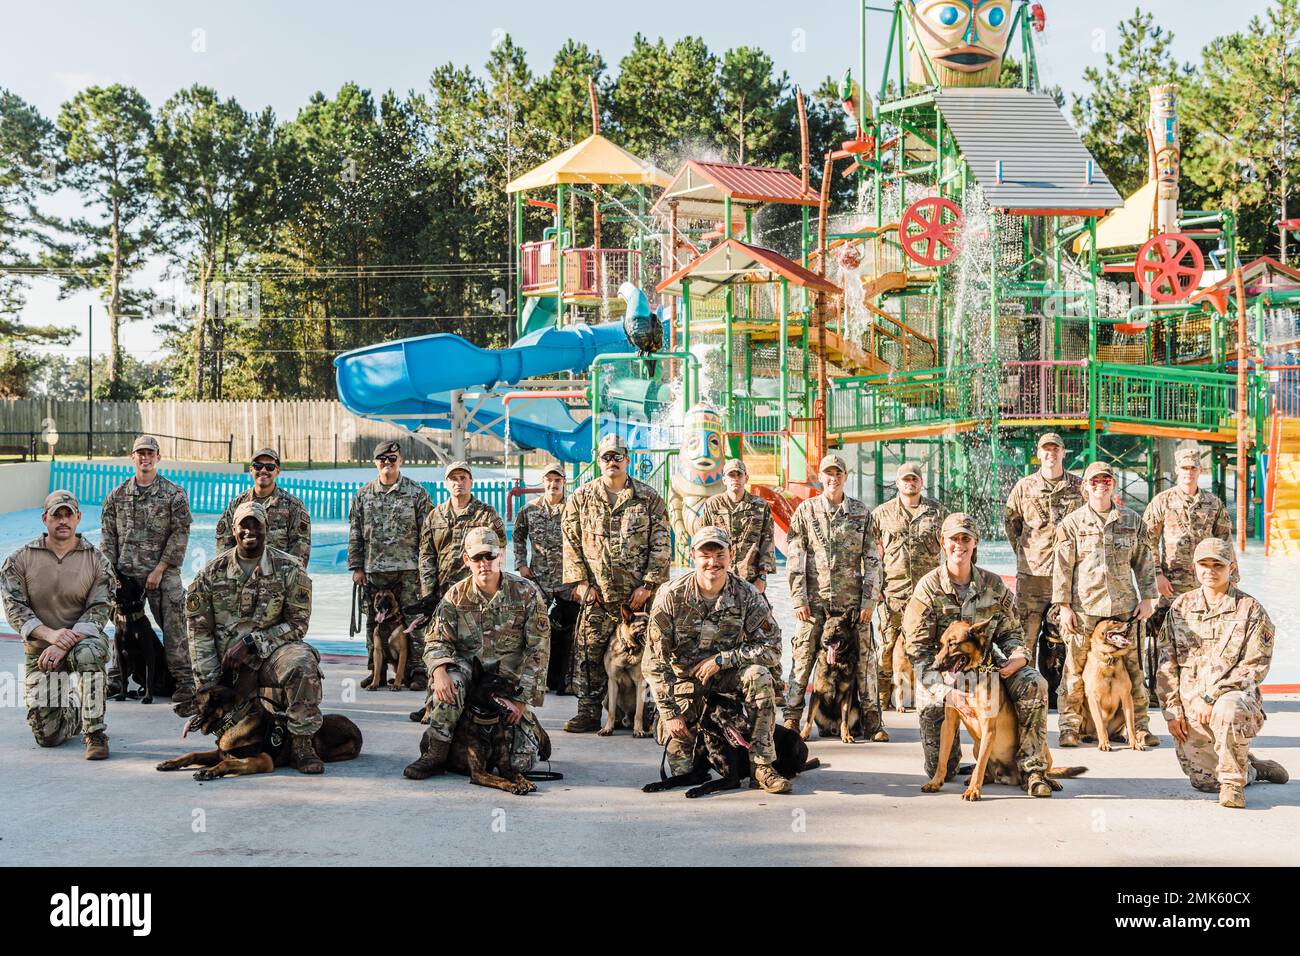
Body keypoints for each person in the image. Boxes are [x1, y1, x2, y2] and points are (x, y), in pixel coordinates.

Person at [902, 513, 1055, 796]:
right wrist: (943, 691)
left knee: (1034, 683)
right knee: (940, 767)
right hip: (942, 671)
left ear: (975, 544)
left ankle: (1033, 769)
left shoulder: (993, 585)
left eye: (966, 539)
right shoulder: (927, 588)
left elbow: (1011, 633)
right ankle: (963, 760)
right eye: (953, 539)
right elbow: (917, 649)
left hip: (987, 668)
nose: (959, 545)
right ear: (942, 543)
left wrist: (1018, 656)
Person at [644, 526, 790, 793]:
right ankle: (688, 736)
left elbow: (772, 649)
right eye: (705, 554)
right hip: (685, 687)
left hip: (726, 683)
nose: (713, 562)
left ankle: (762, 766)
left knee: (759, 675)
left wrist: (723, 660)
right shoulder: (671, 595)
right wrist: (669, 714)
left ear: (731, 555)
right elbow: (654, 662)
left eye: (719, 554)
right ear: (692, 557)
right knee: (684, 771)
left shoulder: (747, 595)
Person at [186, 501, 322, 773]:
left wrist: (254, 643)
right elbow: (199, 632)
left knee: (303, 662)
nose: (250, 531)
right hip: (229, 665)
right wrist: (210, 686)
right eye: (243, 526)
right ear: (233, 531)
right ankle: (233, 742)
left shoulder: (289, 568)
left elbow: (297, 624)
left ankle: (302, 743)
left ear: (266, 528)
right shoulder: (211, 573)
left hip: (272, 655)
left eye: (256, 525)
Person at [403, 527, 550, 780]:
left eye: (490, 556)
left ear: (501, 556)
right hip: (469, 676)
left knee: (520, 763)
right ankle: (435, 753)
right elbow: (436, 640)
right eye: (477, 558)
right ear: (466, 561)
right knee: (451, 683)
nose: (484, 564)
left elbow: (538, 651)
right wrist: (439, 671)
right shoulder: (456, 596)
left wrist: (521, 700)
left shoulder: (526, 593)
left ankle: (529, 724)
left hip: (506, 683)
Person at [1156, 539, 1289, 808]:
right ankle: (1252, 769)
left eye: (1218, 565)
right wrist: (1172, 711)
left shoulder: (1250, 610)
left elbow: (1255, 665)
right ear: (1194, 568)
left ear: (1232, 568)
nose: (1210, 570)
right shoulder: (1181, 607)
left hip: (1233, 701)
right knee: (1204, 782)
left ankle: (1233, 786)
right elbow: (1165, 664)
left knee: (1227, 708)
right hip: (1191, 707)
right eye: (1203, 564)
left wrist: (1211, 696)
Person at [560, 433, 671, 733]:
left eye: (617, 456)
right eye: (606, 456)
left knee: (650, 656)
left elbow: (661, 544)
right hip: (597, 595)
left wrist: (648, 585)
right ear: (599, 461)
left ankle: (648, 714)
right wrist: (581, 583)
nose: (612, 461)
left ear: (627, 459)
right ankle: (588, 712)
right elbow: (570, 543)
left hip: (638, 600)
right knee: (589, 653)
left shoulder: (649, 499)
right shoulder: (580, 498)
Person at [1051, 460, 1159, 748]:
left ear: (1114, 485)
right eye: (1095, 481)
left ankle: (1139, 727)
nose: (1101, 485)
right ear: (1085, 487)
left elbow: (1144, 562)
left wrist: (1148, 598)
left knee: (1135, 670)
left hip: (1124, 607)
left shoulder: (1132, 521)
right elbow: (1062, 567)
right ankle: (1070, 726)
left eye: (1106, 480)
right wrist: (1063, 606)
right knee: (1074, 670)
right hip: (1085, 608)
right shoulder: (1072, 524)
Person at [1, 491, 113, 759]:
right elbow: (14, 608)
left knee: (88, 653)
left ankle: (95, 733)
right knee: (48, 737)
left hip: (82, 641)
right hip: (41, 650)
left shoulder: (97, 561)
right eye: (56, 515)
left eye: (68, 515)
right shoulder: (20, 559)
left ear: (78, 518)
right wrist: (51, 636)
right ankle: (73, 708)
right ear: (44, 519)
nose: (63, 521)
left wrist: (65, 641)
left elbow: (100, 610)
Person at [782, 453, 885, 741]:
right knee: (802, 658)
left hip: (851, 605)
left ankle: (873, 723)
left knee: (865, 659)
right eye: (828, 473)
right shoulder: (806, 511)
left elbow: (872, 559)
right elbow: (795, 556)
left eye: (838, 473)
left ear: (845, 477)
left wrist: (869, 601)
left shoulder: (861, 513)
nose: (833, 478)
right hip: (814, 603)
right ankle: (791, 718)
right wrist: (798, 598)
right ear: (821, 476)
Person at [100, 435, 195, 716]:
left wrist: (160, 568)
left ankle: (185, 681)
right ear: (133, 458)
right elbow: (108, 538)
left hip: (161, 571)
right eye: (140, 453)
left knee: (175, 624)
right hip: (126, 574)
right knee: (119, 628)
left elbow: (180, 534)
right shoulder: (116, 496)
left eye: (150, 453)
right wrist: (113, 576)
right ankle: (118, 678)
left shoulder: (173, 494)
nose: (145, 458)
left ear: (158, 457)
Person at [348, 440, 433, 690]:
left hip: (409, 569)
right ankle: (377, 670)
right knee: (374, 621)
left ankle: (417, 671)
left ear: (401, 460)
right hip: (374, 569)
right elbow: (355, 532)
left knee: (414, 620)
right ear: (376, 462)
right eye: (383, 459)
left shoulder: (417, 493)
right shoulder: (363, 495)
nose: (388, 463)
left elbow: (428, 532)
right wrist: (357, 567)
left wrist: (425, 567)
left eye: (392, 458)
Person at [871, 462, 947, 712]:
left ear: (921, 482)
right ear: (897, 482)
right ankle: (881, 701)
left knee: (932, 648)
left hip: (927, 597)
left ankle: (934, 698)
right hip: (892, 595)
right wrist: (874, 587)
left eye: (914, 479)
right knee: (886, 650)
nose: (910, 483)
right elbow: (868, 552)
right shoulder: (881, 514)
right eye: (905, 479)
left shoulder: (937, 513)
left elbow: (955, 545)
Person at [1003, 432, 1083, 668]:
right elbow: (1011, 524)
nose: (1051, 454)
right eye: (1046, 450)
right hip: (1033, 578)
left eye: (1055, 449)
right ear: (1038, 454)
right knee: (1026, 637)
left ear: (1063, 453)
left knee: (1067, 637)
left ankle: (1063, 693)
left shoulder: (1078, 487)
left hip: (1068, 577)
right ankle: (1028, 690)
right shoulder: (1024, 487)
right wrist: (1027, 553)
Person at [1143, 446, 1233, 636]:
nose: (1189, 473)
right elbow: (1147, 541)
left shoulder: (1214, 503)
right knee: (1164, 639)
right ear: (1177, 469)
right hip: (1170, 585)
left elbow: (1225, 544)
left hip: (1206, 584)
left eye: (1193, 468)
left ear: (1200, 470)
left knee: (1205, 635)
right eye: (1185, 468)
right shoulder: (1162, 501)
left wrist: (1230, 581)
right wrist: (1156, 575)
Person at [513, 461, 579, 694]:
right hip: (538, 580)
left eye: (558, 481)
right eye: (549, 480)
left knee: (569, 634)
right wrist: (520, 564)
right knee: (537, 629)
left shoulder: (574, 507)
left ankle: (567, 680)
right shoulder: (529, 510)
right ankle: (538, 678)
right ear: (543, 482)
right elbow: (518, 536)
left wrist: (581, 579)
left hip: (567, 581)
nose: (553, 485)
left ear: (564, 482)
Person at [419, 460, 507, 606]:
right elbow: (426, 555)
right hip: (444, 591)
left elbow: (500, 550)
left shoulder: (486, 514)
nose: (458, 482)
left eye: (463, 478)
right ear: (446, 483)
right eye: (453, 478)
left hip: (477, 591)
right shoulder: (435, 516)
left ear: (471, 482)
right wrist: (428, 591)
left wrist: (492, 585)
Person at [691, 458, 777, 595]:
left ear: (746, 478)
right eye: (731, 475)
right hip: (719, 579)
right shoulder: (712, 505)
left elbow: (767, 542)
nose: (735, 478)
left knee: (760, 616)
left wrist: (762, 577)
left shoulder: (760, 506)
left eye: (739, 475)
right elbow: (701, 542)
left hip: (751, 580)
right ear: (724, 479)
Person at [215, 447, 311, 566]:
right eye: (258, 466)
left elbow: (301, 545)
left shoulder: (293, 506)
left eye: (270, 467)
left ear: (277, 471)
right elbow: (224, 541)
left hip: (277, 577)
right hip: (242, 575)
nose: (263, 470)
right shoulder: (237, 504)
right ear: (251, 469)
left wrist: (290, 575)